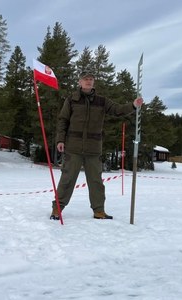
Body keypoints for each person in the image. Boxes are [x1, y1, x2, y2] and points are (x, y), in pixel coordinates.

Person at [50, 69, 144, 220]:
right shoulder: (71, 99)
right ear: (80, 82)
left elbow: (117, 110)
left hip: (93, 149)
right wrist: (60, 140)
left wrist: (133, 105)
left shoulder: (102, 101)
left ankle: (99, 211)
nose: (88, 81)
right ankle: (57, 209)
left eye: (91, 79)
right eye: (85, 79)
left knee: (96, 182)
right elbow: (63, 120)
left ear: (93, 82)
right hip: (73, 147)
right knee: (67, 179)